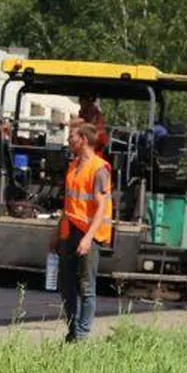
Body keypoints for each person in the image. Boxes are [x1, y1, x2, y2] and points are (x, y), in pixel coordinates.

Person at [50, 118, 113, 342]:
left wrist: (88, 238)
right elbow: (68, 205)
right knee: (66, 285)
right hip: (69, 232)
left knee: (86, 286)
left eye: (72, 138)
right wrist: (57, 234)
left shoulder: (99, 170)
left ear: (83, 140)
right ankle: (73, 330)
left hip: (89, 235)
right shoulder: (73, 167)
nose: (69, 141)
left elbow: (100, 208)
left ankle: (82, 336)